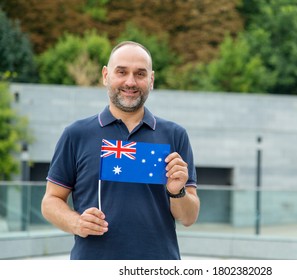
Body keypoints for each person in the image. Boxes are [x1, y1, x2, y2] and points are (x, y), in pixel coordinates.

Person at [41, 41, 200, 260]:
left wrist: (177, 191)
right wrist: (76, 223)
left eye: (140, 74)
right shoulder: (76, 134)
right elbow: (50, 201)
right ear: (106, 75)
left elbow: (189, 217)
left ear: (151, 80)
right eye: (122, 72)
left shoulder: (175, 135)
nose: (130, 82)